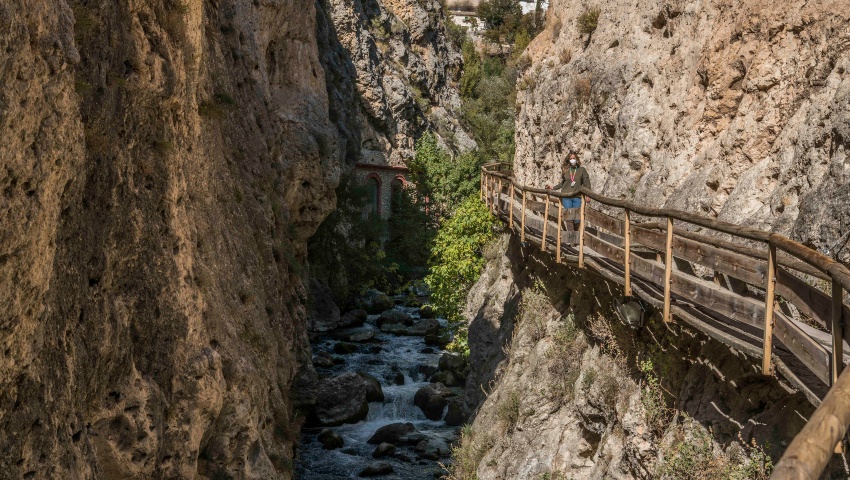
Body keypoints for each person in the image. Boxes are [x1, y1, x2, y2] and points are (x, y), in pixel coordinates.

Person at [547, 152, 591, 227]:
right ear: (568, 160)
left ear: (577, 159)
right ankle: (570, 237)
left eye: (574, 158)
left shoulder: (582, 170)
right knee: (569, 218)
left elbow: (587, 183)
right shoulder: (566, 171)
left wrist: (588, 195)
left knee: (577, 219)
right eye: (571, 159)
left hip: (577, 197)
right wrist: (553, 188)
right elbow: (562, 183)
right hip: (566, 196)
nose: (572, 160)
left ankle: (576, 235)